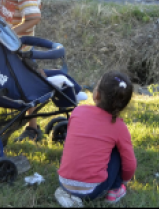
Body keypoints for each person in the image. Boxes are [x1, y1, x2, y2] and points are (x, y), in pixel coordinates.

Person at [55, 71, 136, 207]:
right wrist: (125, 179)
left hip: (64, 182)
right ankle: (115, 190)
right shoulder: (119, 127)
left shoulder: (77, 111)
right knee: (118, 150)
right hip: (92, 190)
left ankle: (70, 193)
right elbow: (129, 164)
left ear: (97, 94)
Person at [0, 0, 45, 142]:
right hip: (13, 46)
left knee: (26, 86)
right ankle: (29, 125)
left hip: (18, 48)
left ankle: (31, 127)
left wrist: (10, 34)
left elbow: (34, 17)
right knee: (24, 85)